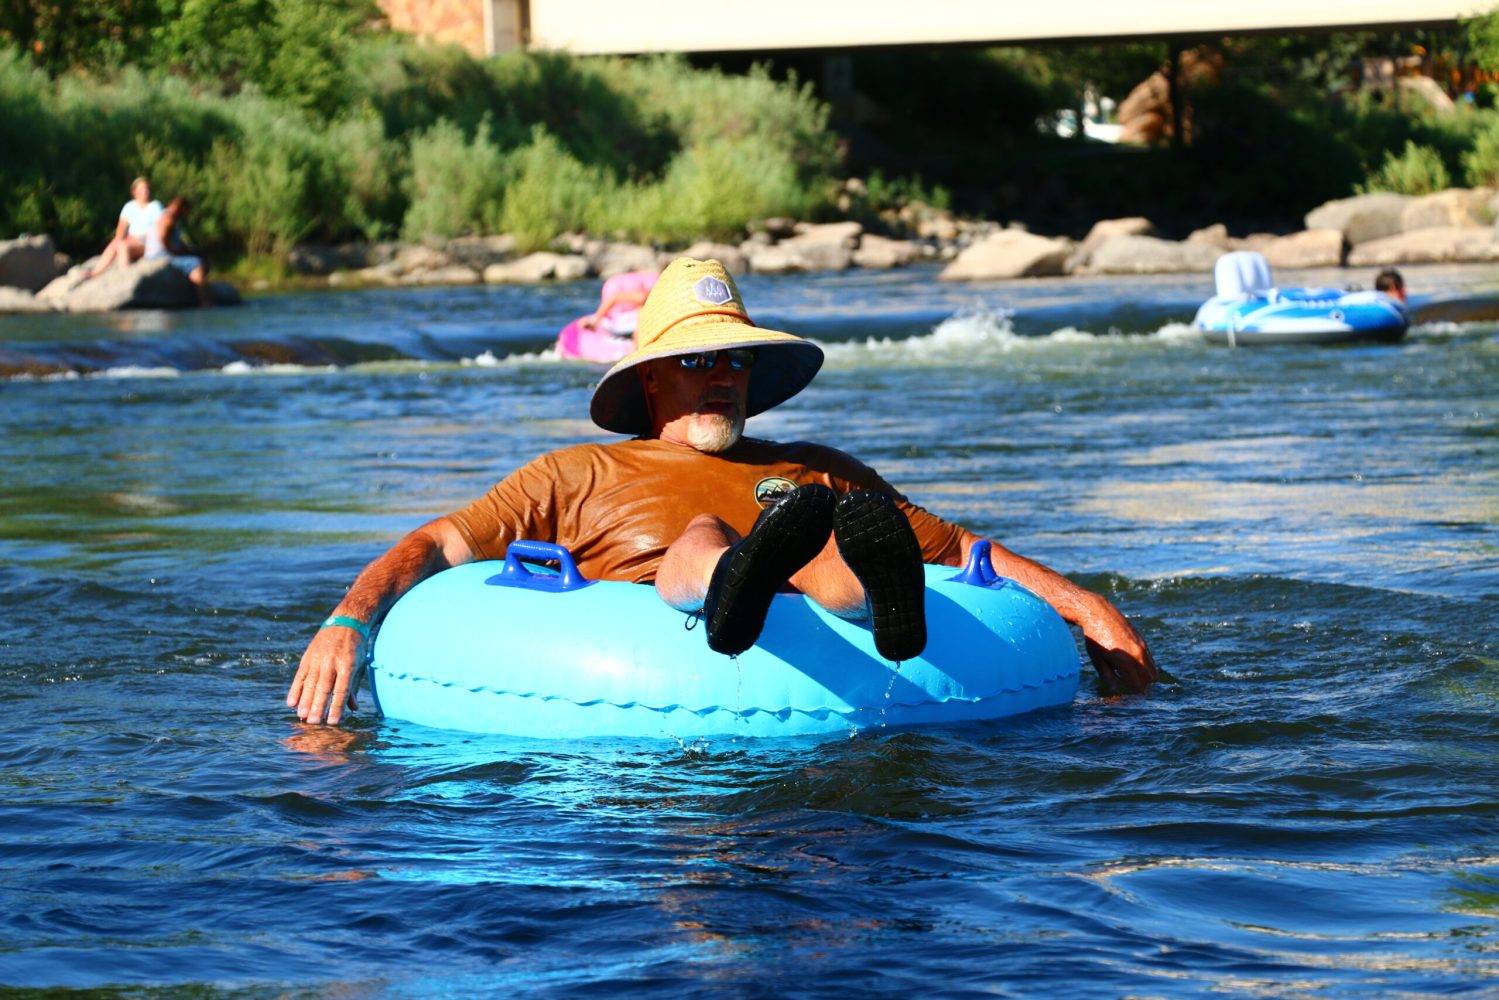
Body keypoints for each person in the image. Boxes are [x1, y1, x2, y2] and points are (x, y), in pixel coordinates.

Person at [288, 257, 1157, 725]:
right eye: (696, 360)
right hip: (670, 624)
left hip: (824, 604)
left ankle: (871, 602)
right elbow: (437, 547)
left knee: (829, 526)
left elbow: (961, 548)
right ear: (652, 380)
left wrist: (1085, 608)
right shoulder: (578, 473)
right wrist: (348, 622)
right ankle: (735, 580)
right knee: (705, 531)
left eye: (733, 358)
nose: (721, 377)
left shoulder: (813, 462)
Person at [85, 176, 162, 278]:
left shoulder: (155, 206)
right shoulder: (129, 206)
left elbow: (160, 227)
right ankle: (96, 272)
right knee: (116, 244)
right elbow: (121, 229)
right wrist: (118, 240)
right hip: (132, 240)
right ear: (135, 192)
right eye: (142, 188)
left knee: (122, 246)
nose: (145, 191)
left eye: (146, 188)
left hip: (147, 242)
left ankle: (124, 275)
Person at [144, 197, 210, 307]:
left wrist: (188, 250)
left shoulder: (164, 216)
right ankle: (204, 301)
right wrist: (175, 251)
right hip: (159, 256)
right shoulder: (168, 219)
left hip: (155, 254)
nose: (186, 215)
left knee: (193, 256)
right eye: (186, 211)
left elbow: (175, 241)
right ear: (182, 209)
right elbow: (164, 239)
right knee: (196, 263)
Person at [578, 269, 658, 336]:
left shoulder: (648, 298)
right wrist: (595, 320)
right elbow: (614, 298)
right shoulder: (643, 296)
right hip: (622, 320)